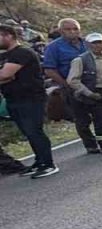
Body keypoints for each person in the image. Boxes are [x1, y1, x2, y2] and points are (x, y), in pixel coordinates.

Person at [42, 18, 102, 154]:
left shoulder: (88, 43)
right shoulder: (54, 47)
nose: (72, 32)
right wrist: (67, 84)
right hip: (74, 86)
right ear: (60, 31)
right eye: (68, 29)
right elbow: (49, 70)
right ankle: (91, 145)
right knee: (82, 118)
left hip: (97, 85)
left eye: (75, 29)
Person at [0, 23, 57, 177]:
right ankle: (39, 161)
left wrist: (6, 75)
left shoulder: (22, 53)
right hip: (13, 99)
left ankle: (48, 163)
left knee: (34, 131)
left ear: (8, 35)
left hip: (31, 98)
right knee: (27, 132)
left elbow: (5, 75)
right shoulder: (4, 56)